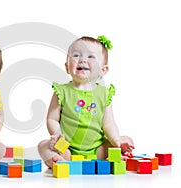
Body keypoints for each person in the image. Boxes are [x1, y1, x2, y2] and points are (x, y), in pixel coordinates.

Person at [37, 36, 135, 168]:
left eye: (91, 57)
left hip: (98, 151)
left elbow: (109, 123)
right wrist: (57, 134)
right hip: (68, 150)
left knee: (126, 139)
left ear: (103, 70)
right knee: (43, 145)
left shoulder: (104, 94)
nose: (82, 59)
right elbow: (52, 119)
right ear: (67, 67)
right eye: (76, 55)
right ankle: (58, 161)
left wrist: (117, 142)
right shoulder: (62, 91)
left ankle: (113, 157)